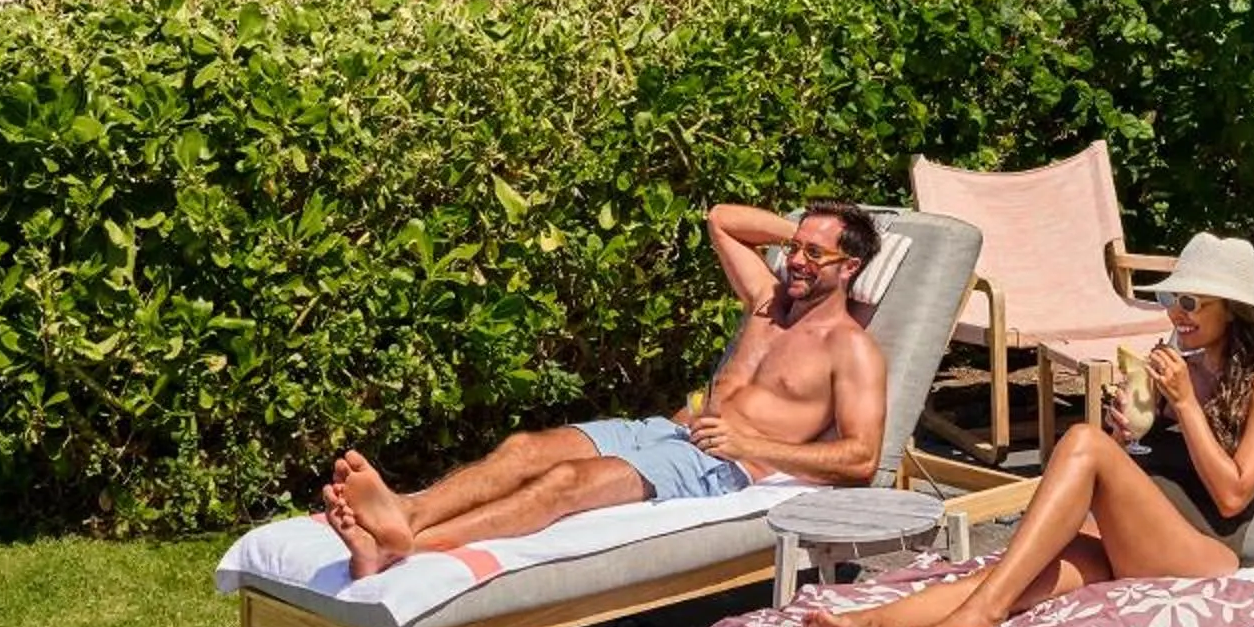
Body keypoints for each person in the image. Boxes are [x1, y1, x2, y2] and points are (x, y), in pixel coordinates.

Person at [324, 201, 889, 579]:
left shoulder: (850, 348)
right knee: (525, 449)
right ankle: (407, 510)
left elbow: (861, 459)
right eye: (794, 248)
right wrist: (801, 231)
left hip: (724, 463)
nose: (796, 261)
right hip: (669, 431)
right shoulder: (768, 300)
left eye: (816, 255)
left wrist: (752, 447)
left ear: (850, 267)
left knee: (565, 483)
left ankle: (407, 550)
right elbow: (721, 219)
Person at [803, 232, 1254, 627]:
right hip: (1126, 538)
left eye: (1190, 302)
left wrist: (1184, 405)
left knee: (1082, 440)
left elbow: (1233, 496)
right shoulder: (1176, 364)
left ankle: (982, 617)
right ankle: (869, 623)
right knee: (1007, 576)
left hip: (1199, 550)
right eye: (1169, 299)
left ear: (1231, 310)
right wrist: (1124, 434)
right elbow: (1144, 463)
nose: (1175, 314)